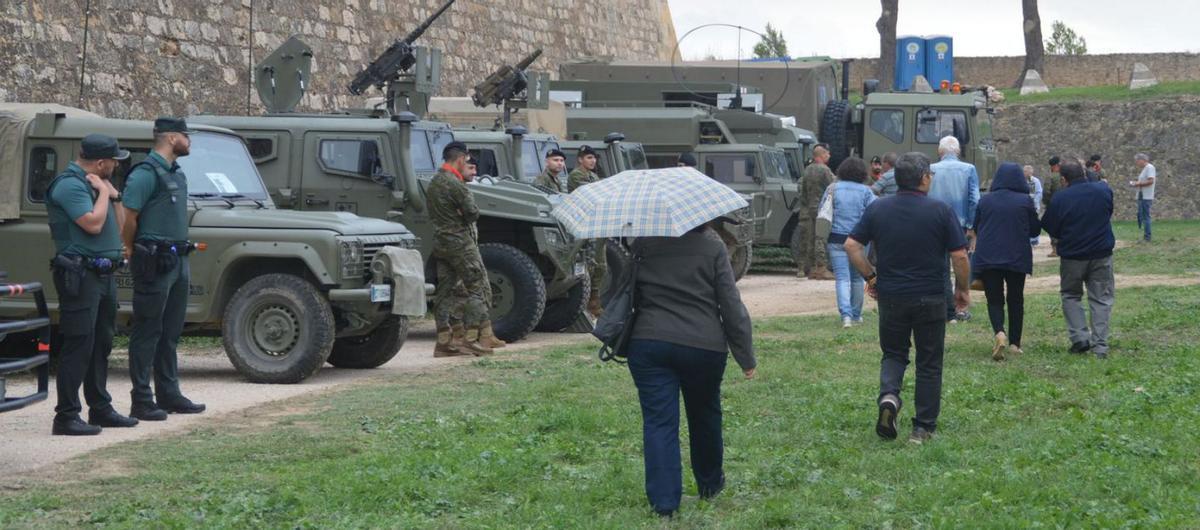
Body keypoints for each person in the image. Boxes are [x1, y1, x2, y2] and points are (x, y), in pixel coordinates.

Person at [625, 221, 756, 518]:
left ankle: (664, 503)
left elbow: (618, 292)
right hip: (704, 345)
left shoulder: (642, 246)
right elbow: (731, 305)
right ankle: (710, 485)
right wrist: (745, 356)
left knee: (659, 423)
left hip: (649, 342)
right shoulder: (713, 247)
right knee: (705, 414)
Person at [844, 152, 970, 444]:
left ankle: (889, 397)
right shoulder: (941, 210)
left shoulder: (878, 209)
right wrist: (961, 290)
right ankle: (922, 428)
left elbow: (851, 246)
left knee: (894, 353)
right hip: (930, 296)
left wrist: (871, 277)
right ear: (925, 178)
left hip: (892, 296)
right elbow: (960, 255)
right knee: (929, 361)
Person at [45, 134, 139, 435]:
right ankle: (66, 416)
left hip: (103, 275)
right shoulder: (70, 185)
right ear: (101, 163)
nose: (116, 165)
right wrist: (101, 193)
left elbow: (119, 224)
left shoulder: (96, 185)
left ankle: (100, 408)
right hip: (80, 275)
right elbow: (92, 223)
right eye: (114, 161)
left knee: (101, 344)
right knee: (79, 344)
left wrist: (114, 196)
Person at [120, 118, 205, 421]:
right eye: (185, 136)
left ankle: (169, 394)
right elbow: (128, 215)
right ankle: (141, 398)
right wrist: (130, 247)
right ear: (171, 138)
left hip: (178, 259)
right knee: (148, 330)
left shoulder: (176, 174)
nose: (189, 141)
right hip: (155, 260)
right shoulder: (145, 173)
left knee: (170, 331)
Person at [1041, 162, 1116, 359]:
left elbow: (1050, 225)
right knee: (1101, 299)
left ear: (1064, 179)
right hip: (1101, 253)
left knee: (1071, 295)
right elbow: (1108, 212)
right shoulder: (1103, 190)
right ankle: (1100, 346)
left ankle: (1080, 338)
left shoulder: (1060, 198)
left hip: (1073, 256)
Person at [428, 142, 496, 357]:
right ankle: (470, 338)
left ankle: (444, 341)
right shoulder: (455, 184)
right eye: (466, 160)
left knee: (445, 291)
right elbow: (473, 213)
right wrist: (463, 212)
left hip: (441, 242)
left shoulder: (435, 182)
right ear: (460, 159)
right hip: (460, 243)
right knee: (478, 287)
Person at [970, 163, 1040, 361]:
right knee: (1016, 299)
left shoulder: (986, 200)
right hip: (1017, 256)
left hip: (989, 256)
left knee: (994, 299)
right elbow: (1035, 230)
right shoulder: (1025, 201)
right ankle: (1015, 344)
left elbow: (976, 227)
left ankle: (999, 332)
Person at [928, 135, 980, 323]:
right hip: (961, 225)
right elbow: (974, 200)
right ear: (958, 151)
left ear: (939, 151)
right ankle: (961, 306)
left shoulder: (931, 170)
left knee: (941, 269)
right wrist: (972, 226)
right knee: (962, 265)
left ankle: (945, 309)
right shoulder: (969, 169)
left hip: (935, 226)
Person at [824, 157, 876, 328]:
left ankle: (845, 316)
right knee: (857, 278)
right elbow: (874, 213)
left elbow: (822, 212)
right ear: (862, 173)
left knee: (842, 278)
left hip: (836, 238)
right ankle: (856, 314)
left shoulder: (832, 188)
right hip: (859, 240)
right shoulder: (866, 191)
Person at [569, 145, 608, 317]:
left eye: (594, 158)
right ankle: (587, 303)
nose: (593, 161)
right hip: (585, 223)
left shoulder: (593, 175)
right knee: (589, 264)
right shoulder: (577, 175)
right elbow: (594, 194)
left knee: (600, 265)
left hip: (596, 224)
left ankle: (594, 300)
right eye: (589, 158)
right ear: (580, 159)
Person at [799, 145, 835, 280]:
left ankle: (806, 269)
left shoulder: (807, 170)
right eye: (827, 154)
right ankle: (821, 268)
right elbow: (833, 185)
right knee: (820, 237)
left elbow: (802, 192)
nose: (829, 156)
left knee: (808, 238)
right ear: (821, 155)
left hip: (807, 209)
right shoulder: (825, 170)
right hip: (821, 209)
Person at [1130, 153, 1156, 243]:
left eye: (1137, 161)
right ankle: (1145, 236)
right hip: (1142, 195)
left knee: (1146, 217)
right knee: (1142, 216)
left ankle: (1147, 237)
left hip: (1146, 196)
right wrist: (1136, 183)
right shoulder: (1145, 169)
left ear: (1142, 160)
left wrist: (1138, 184)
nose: (1137, 163)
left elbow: (1151, 181)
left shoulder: (1150, 167)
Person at [1044, 156, 1062, 257]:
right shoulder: (1065, 175)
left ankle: (1055, 249)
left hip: (1053, 205)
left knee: (1053, 226)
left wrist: (1047, 202)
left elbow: (1046, 191)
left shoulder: (1050, 177)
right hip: (1065, 203)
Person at [1024, 165, 1044, 246]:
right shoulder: (1022, 181)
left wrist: (1035, 203)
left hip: (1033, 205)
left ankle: (1034, 240)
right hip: (1025, 203)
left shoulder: (1035, 181)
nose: (1025, 173)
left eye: (1026, 172)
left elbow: (1039, 193)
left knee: (1034, 221)